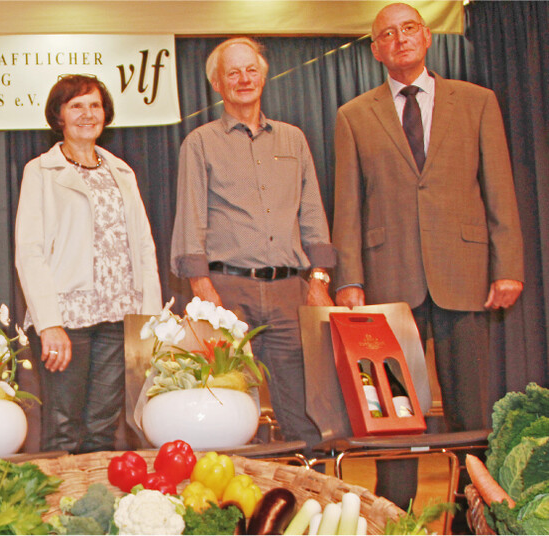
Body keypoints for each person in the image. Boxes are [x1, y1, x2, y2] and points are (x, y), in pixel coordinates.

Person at [333, 2, 523, 508]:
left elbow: (499, 189)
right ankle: (397, 513)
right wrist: (349, 278)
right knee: (393, 411)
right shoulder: (353, 115)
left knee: (471, 410)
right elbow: (347, 205)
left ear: (428, 36)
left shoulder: (478, 102)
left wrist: (507, 266)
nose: (401, 39)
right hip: (387, 283)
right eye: (388, 34)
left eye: (410, 28)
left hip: (464, 273)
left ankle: (476, 509)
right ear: (375, 50)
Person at [170, 38, 335, 449]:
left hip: (288, 292)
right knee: (227, 405)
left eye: (251, 70)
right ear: (218, 85)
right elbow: (191, 218)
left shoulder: (294, 140)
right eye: (233, 72)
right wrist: (202, 290)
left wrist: (319, 279)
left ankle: (307, 487)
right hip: (227, 291)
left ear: (264, 76)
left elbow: (313, 212)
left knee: (301, 407)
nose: (244, 79)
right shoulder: (200, 142)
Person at [15, 74, 162, 453]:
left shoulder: (122, 172)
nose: (87, 113)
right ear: (59, 115)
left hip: (119, 316)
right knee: (64, 428)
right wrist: (49, 323)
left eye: (95, 105)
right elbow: (29, 252)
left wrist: (149, 322)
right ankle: (59, 510)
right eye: (76, 105)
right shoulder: (41, 171)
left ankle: (96, 505)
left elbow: (145, 248)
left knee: (103, 427)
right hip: (67, 319)